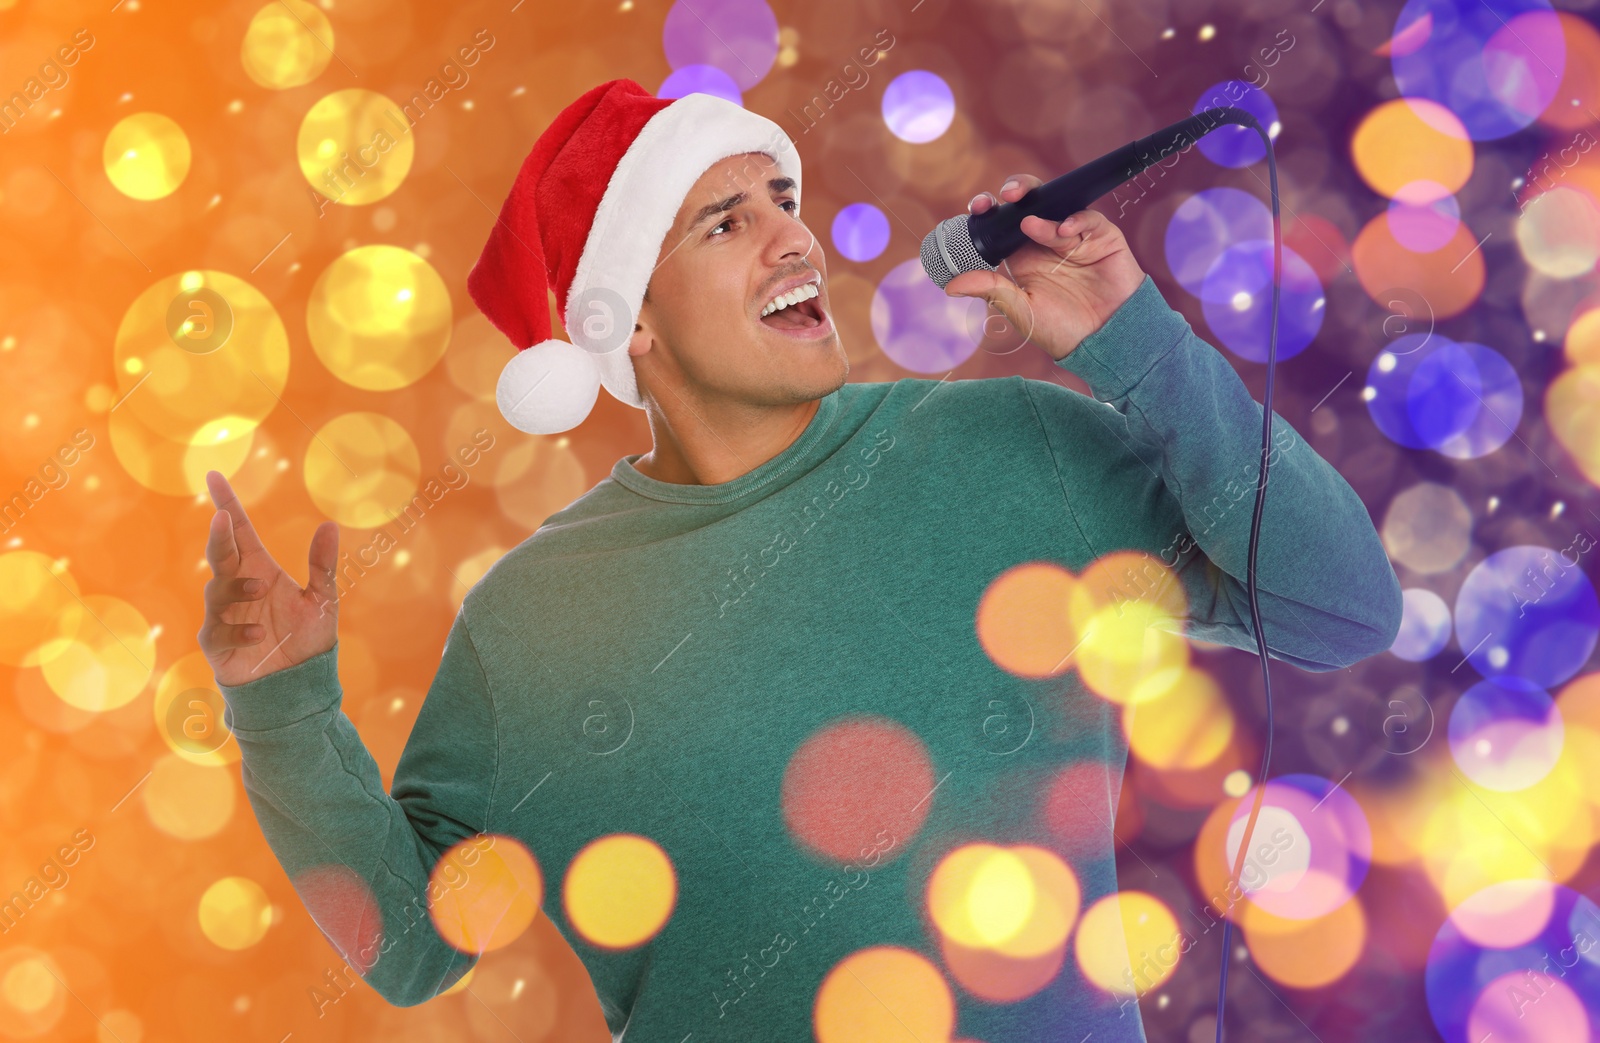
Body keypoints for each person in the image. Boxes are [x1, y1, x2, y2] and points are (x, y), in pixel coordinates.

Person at [198, 78, 1401, 1042]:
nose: (794, 240)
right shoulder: (532, 619)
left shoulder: (1012, 443)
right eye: (728, 222)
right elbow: (414, 944)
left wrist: (1131, 340)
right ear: (633, 324)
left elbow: (1339, 607)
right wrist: (283, 710)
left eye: (784, 197)